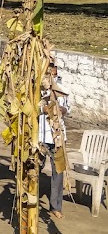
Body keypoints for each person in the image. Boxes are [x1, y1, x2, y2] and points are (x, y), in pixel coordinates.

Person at [38, 74, 69, 218]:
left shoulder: (62, 90)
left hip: (57, 137)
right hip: (40, 136)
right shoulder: (37, 91)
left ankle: (55, 206)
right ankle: (29, 199)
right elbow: (30, 108)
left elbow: (68, 109)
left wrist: (61, 110)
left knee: (58, 172)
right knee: (34, 167)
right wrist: (44, 110)